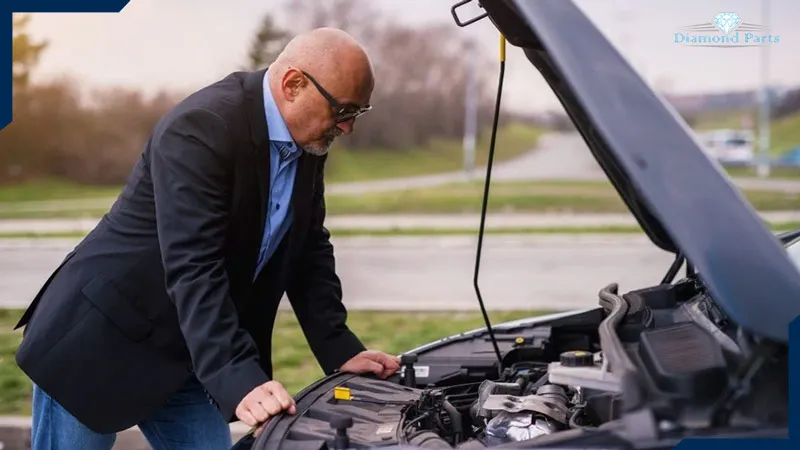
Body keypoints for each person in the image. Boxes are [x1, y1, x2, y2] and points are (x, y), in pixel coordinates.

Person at [13, 27, 400, 449]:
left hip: (193, 351)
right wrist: (240, 377)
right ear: (293, 84)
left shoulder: (305, 141)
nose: (347, 128)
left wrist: (338, 348)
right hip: (100, 344)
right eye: (343, 110)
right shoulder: (201, 127)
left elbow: (307, 247)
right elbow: (194, 264)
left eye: (357, 113)